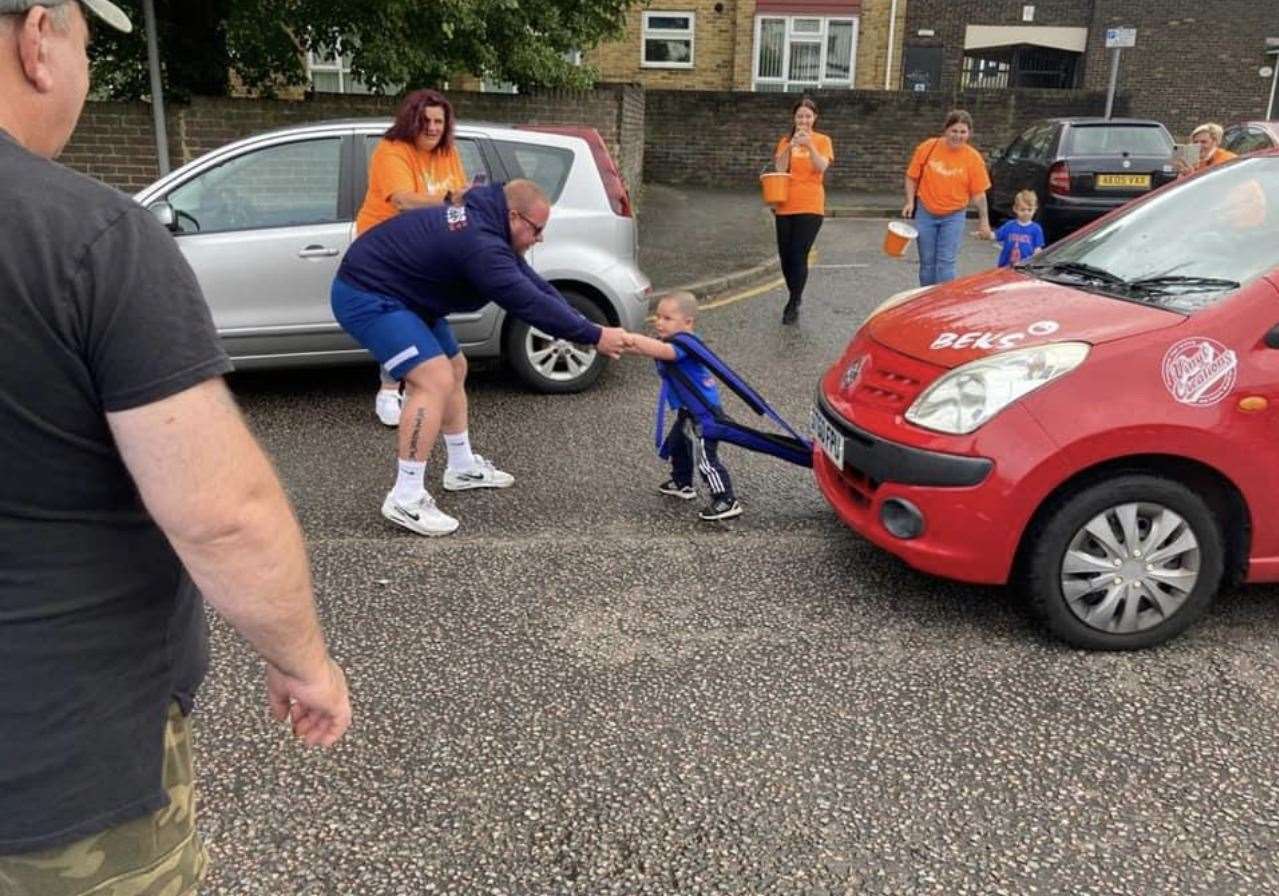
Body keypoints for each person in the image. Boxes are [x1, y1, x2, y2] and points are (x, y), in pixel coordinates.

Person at [0, 2, 351, 893]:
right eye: (84, 45)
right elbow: (221, 515)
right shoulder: (83, 237)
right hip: (56, 777)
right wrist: (301, 661)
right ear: (37, 38)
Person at [332, 178, 629, 536]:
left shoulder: (488, 224)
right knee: (433, 379)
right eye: (537, 230)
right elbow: (527, 302)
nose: (540, 238)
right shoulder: (481, 244)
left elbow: (533, 283)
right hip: (368, 293)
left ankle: (461, 466)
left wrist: (583, 323)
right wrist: (594, 336)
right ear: (515, 217)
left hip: (407, 293)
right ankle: (405, 497)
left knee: (455, 368)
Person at [357, 89, 471, 428]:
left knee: (421, 318)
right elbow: (404, 200)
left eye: (440, 121)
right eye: (426, 121)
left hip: (426, 251)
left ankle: (412, 386)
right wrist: (451, 199)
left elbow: (459, 197)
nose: (433, 128)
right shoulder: (392, 151)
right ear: (411, 120)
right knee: (400, 318)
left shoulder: (448, 152)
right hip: (386, 252)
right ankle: (389, 389)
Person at [621, 291, 742, 522]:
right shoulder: (673, 340)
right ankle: (682, 482)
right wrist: (617, 343)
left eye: (667, 318)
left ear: (688, 323)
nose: (659, 322)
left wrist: (631, 338)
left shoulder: (686, 344)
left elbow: (663, 352)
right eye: (658, 317)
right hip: (688, 412)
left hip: (704, 416)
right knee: (678, 446)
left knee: (705, 459)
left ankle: (726, 498)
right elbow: (649, 349)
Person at [902, 109, 993, 287]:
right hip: (926, 212)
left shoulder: (973, 158)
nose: (958, 136)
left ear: (969, 133)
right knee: (927, 263)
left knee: (945, 264)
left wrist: (984, 221)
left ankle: (942, 302)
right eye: (954, 131)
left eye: (963, 132)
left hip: (954, 215)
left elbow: (979, 194)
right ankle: (927, 299)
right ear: (946, 130)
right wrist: (910, 202)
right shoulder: (928, 147)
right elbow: (911, 177)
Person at [771, 97, 833, 325]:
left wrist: (809, 145)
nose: (804, 120)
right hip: (785, 204)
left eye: (808, 116)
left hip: (810, 205)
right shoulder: (786, 140)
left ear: (814, 118)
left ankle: (793, 301)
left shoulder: (823, 140)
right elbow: (779, 168)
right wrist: (791, 145)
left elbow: (821, 166)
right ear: (794, 119)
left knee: (799, 254)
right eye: (800, 116)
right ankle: (794, 294)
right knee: (786, 257)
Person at [989, 189, 1045, 267]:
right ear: (1015, 209)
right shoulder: (1009, 225)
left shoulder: (1036, 229)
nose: (1026, 213)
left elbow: (1038, 248)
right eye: (1022, 210)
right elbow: (996, 235)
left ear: (1035, 209)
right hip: (1006, 265)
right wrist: (987, 234)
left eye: (1029, 210)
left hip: (1025, 267)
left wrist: (1037, 255)